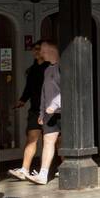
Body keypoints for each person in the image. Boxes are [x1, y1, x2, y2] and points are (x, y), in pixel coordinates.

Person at [8, 42, 48, 180]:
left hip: (51, 110)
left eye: (38, 49)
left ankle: (59, 167)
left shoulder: (52, 68)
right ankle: (24, 169)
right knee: (32, 138)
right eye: (34, 50)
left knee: (55, 141)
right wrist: (22, 100)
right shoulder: (32, 70)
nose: (35, 52)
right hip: (36, 109)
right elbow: (29, 88)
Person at [28, 41, 61, 185]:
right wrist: (42, 112)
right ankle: (43, 174)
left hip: (64, 112)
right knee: (48, 142)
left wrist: (54, 105)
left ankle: (64, 169)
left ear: (49, 50)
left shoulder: (63, 67)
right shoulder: (47, 70)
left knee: (63, 144)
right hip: (50, 113)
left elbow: (68, 89)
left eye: (42, 51)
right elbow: (43, 94)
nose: (40, 54)